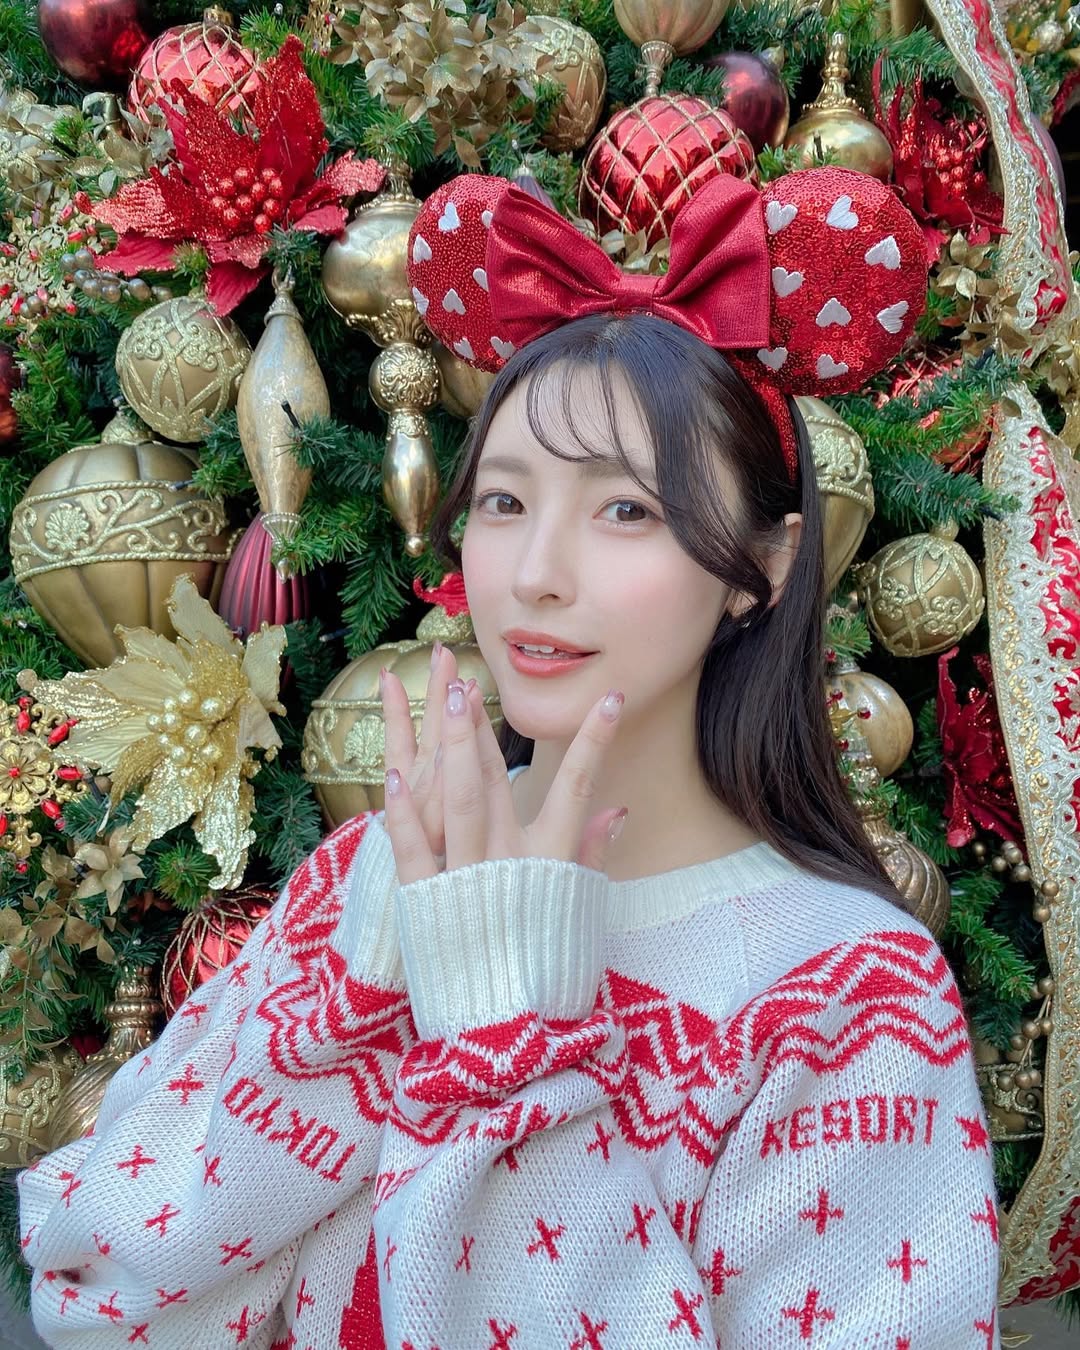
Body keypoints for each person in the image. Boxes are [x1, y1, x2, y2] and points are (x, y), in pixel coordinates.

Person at [18, 169, 1000, 1348]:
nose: (535, 573)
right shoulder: (365, 878)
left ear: (768, 569)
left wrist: (504, 1039)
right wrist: (361, 990)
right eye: (501, 502)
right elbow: (105, 1296)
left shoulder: (848, 997)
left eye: (626, 510)